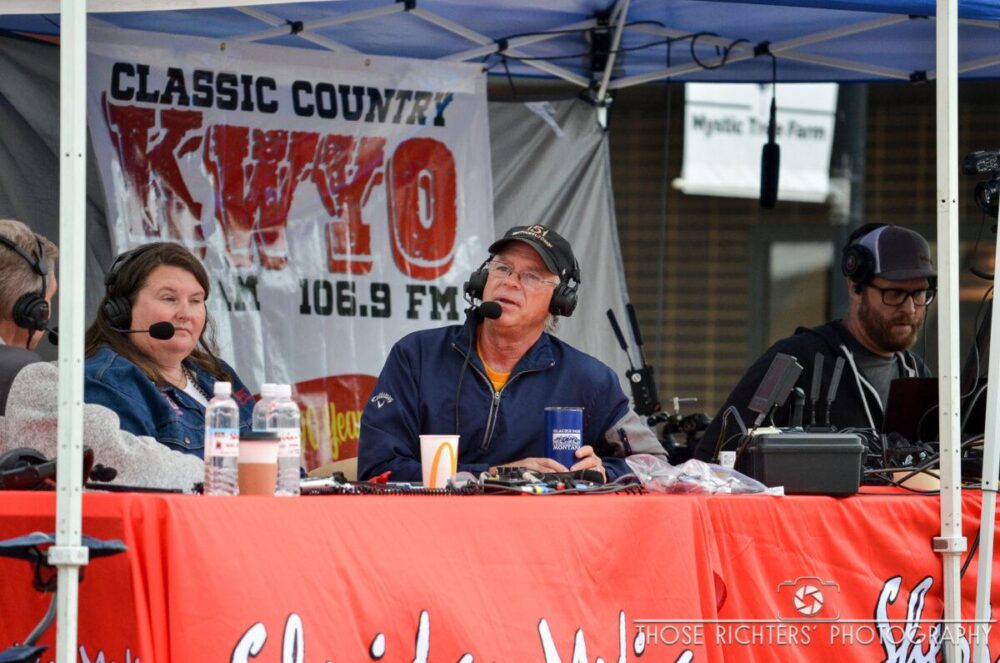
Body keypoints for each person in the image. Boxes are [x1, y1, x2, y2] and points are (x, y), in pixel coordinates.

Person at [358, 224, 664, 481]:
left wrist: (605, 472)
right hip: (432, 530)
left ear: (560, 300)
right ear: (482, 280)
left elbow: (655, 465)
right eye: (503, 268)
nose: (510, 282)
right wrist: (496, 476)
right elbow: (378, 469)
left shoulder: (589, 379)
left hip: (537, 534)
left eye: (531, 276)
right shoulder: (417, 356)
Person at [693, 223, 935, 462]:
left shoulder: (917, 372)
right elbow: (714, 457)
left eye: (919, 293)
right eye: (894, 294)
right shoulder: (794, 358)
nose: (909, 308)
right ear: (855, 288)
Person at [0, 220, 203, 490]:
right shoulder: (21, 376)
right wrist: (224, 474)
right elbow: (119, 460)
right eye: (48, 300)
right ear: (30, 311)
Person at [85, 241, 255, 457]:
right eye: (169, 299)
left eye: (195, 300)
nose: (186, 314)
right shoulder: (106, 382)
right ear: (123, 310)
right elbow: (138, 471)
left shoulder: (217, 373)